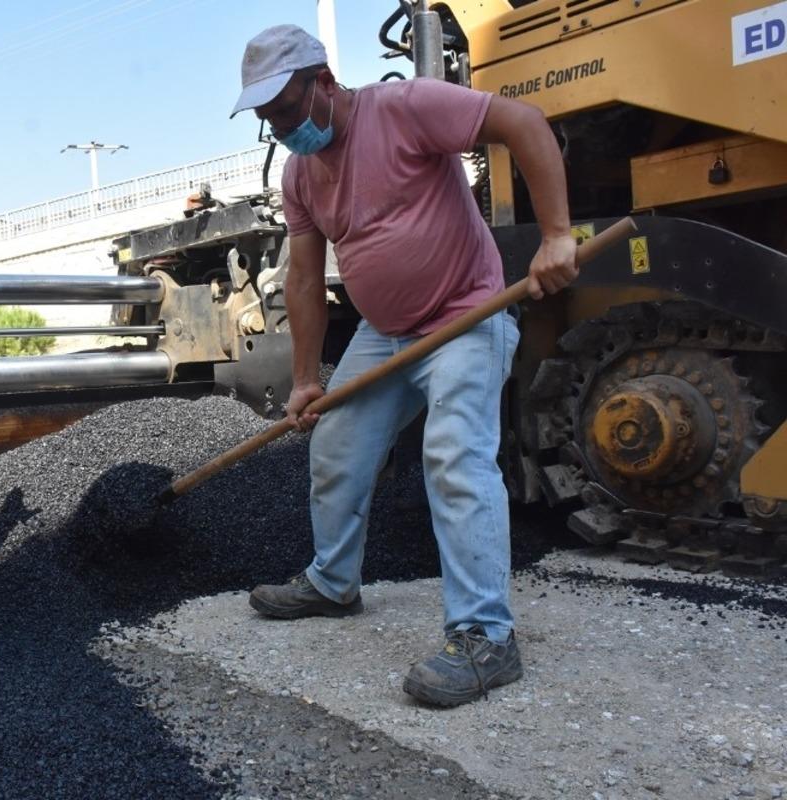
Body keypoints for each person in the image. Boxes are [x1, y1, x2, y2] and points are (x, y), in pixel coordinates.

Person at [231, 26, 576, 707]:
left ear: (323, 83)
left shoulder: (407, 107)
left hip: (466, 317)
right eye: (268, 120)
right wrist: (307, 380)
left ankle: (486, 639)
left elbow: (524, 122)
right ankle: (333, 583)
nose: (281, 129)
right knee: (334, 445)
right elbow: (303, 278)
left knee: (452, 457)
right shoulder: (302, 173)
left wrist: (558, 235)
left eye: (286, 111)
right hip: (384, 334)